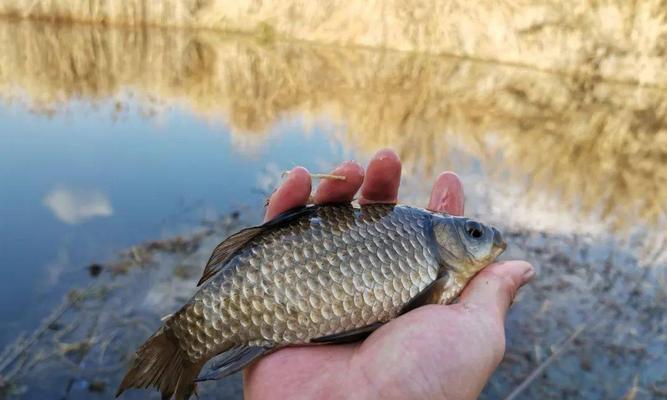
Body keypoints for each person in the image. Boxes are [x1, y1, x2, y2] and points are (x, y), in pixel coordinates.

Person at [244, 149, 535, 400]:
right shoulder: (442, 271)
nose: (487, 239)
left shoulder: (444, 267)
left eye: (474, 233)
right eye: (475, 233)